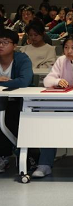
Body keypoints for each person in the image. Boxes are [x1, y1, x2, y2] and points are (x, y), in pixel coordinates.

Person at [32, 34, 73, 178]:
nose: (69, 51)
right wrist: (57, 81)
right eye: (66, 47)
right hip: (62, 103)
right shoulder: (61, 60)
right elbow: (47, 80)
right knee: (50, 127)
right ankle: (45, 164)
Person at [0, 29, 34, 173]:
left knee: (13, 118)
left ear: (14, 46)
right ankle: (4, 155)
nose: (1, 45)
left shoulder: (22, 59)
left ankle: (28, 156)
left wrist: (3, 82)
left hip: (19, 101)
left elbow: (24, 81)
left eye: (5, 42)